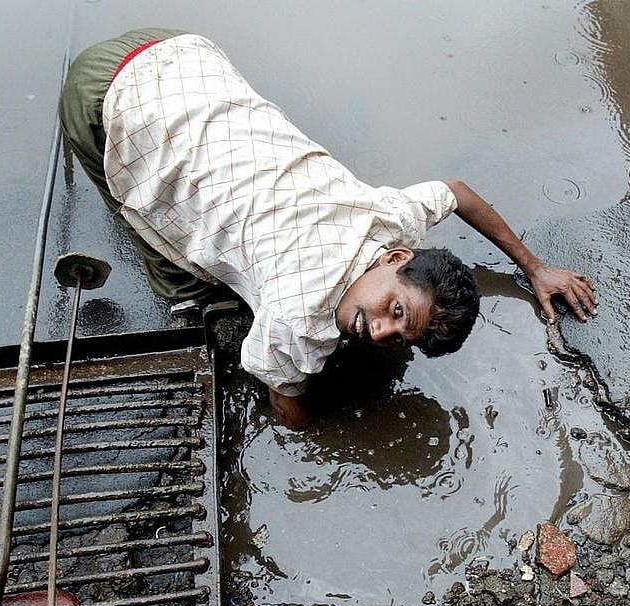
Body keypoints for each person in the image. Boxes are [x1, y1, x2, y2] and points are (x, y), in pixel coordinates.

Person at [59, 28, 598, 429]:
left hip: (183, 55)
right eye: (397, 311)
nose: (381, 332)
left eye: (397, 334)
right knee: (149, 225)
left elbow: (455, 192)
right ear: (394, 259)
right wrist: (313, 436)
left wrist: (535, 266)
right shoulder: (298, 323)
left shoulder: (391, 220)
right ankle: (193, 296)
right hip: (105, 104)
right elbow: (283, 399)